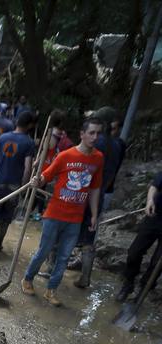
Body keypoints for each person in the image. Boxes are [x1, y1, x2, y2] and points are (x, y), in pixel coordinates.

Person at [21, 117, 104, 307]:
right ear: (82, 135)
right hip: (55, 214)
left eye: (98, 133)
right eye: (91, 133)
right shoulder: (66, 156)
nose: (95, 137)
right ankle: (27, 278)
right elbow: (47, 175)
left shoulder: (98, 158)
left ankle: (51, 290)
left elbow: (95, 188)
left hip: (75, 218)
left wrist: (93, 214)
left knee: (64, 257)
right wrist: (37, 179)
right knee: (44, 251)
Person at [75, 107, 127, 289]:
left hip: (84, 193)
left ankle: (51, 268)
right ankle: (85, 276)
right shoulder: (119, 144)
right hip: (102, 192)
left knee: (65, 230)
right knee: (90, 235)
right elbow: (115, 171)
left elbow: (83, 167)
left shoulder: (97, 144)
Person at [0, 110, 35, 255]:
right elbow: (27, 168)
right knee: (7, 218)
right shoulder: (29, 142)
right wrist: (24, 187)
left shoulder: (2, 138)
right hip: (14, 186)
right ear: (30, 125)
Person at [115, 173, 162, 302]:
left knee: (157, 262)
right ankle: (128, 283)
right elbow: (154, 186)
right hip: (155, 216)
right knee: (134, 252)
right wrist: (150, 200)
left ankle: (144, 289)